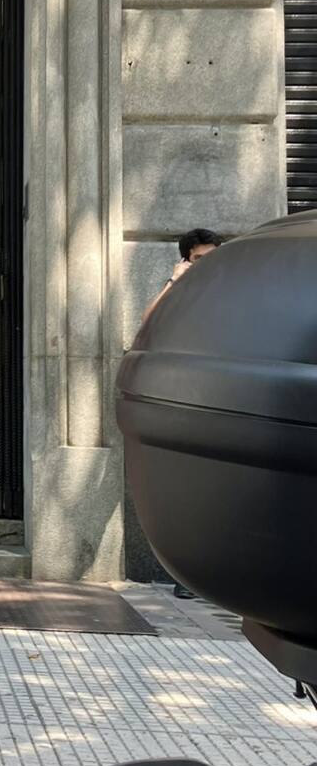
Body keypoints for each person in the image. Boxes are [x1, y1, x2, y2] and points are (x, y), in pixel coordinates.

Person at [141, 228, 222, 598]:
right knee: (185, 490)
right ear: (186, 259)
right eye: (201, 259)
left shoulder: (229, 286)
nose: (209, 266)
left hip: (219, 398)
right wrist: (174, 282)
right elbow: (148, 324)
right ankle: (186, 577)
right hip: (183, 398)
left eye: (214, 257)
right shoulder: (177, 289)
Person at [141, 228, 222, 325]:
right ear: (186, 261)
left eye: (212, 255)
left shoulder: (230, 282)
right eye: (199, 258)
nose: (207, 261)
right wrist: (174, 280)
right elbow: (148, 320)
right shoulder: (180, 288)